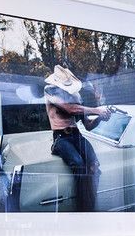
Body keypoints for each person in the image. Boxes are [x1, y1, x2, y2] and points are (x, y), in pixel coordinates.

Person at [43, 65, 111, 211]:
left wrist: (100, 117)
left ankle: (89, 204)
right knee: (78, 164)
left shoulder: (75, 96)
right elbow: (69, 109)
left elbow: (88, 125)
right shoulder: (50, 91)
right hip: (61, 137)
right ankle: (81, 209)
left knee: (94, 166)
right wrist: (97, 110)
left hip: (76, 135)